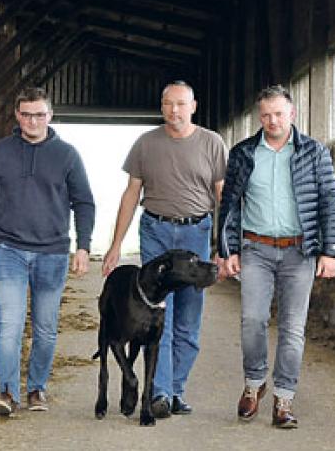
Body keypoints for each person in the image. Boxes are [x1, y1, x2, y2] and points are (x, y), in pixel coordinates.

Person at [217, 84, 335, 429]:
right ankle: (254, 383)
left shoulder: (315, 152)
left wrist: (330, 251)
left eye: (279, 114)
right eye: (266, 115)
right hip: (255, 249)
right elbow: (229, 206)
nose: (272, 120)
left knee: (292, 328)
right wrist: (226, 250)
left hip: (299, 252)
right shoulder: (243, 153)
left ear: (292, 115)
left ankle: (284, 398)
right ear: (260, 116)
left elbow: (330, 201)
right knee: (252, 321)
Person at [101, 80, 227, 419]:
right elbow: (131, 194)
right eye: (168, 104)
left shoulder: (212, 143)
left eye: (181, 104)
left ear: (193, 106)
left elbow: (222, 197)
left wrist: (227, 248)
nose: (175, 110)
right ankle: (160, 392)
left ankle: (175, 390)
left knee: (189, 316)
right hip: (155, 229)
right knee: (160, 315)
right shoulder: (145, 144)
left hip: (195, 234)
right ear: (162, 107)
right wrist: (115, 245)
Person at [0, 86, 95, 416]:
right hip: (6, 248)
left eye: (39, 114)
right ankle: (8, 393)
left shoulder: (67, 155)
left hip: (52, 251)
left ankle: (37, 389)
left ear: (50, 116)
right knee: (9, 325)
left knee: (44, 327)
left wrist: (83, 246)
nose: (33, 121)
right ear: (17, 115)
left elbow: (84, 202)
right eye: (26, 114)